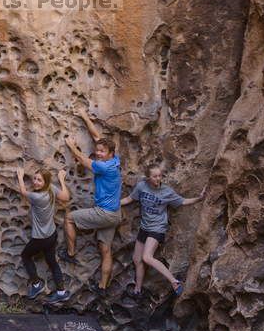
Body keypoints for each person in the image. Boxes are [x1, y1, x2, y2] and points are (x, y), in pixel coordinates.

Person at [63, 108, 122, 296]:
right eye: (97, 151)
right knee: (105, 250)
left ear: (111, 153)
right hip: (115, 214)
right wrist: (84, 116)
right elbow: (97, 137)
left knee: (70, 218)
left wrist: (71, 145)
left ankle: (70, 254)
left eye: (102, 152)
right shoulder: (116, 161)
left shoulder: (105, 167)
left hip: (104, 213)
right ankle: (103, 287)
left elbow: (82, 159)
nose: (98, 154)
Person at [121, 164, 205, 296]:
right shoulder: (141, 186)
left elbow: (182, 202)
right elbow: (130, 199)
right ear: (148, 177)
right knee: (137, 259)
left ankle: (174, 282)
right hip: (144, 227)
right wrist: (113, 204)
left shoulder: (166, 191)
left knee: (147, 257)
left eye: (160, 176)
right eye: (154, 176)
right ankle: (138, 290)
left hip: (157, 227)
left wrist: (199, 198)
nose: (158, 179)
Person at [15, 167, 72, 303]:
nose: (35, 182)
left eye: (39, 180)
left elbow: (23, 192)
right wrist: (62, 180)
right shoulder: (51, 188)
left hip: (40, 238)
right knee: (52, 262)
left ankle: (36, 285)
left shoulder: (36, 196)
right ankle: (61, 292)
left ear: (45, 182)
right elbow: (66, 197)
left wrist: (20, 177)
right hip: (52, 235)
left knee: (25, 255)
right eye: (34, 178)